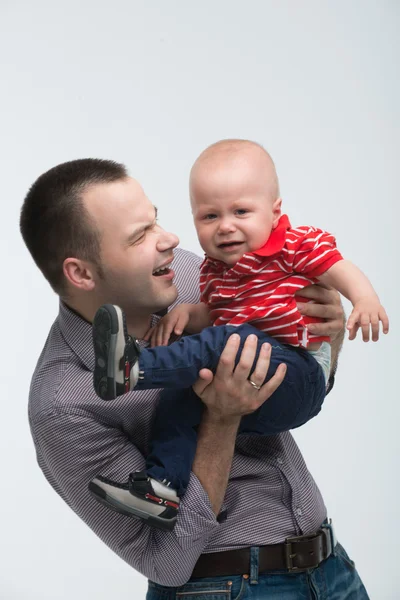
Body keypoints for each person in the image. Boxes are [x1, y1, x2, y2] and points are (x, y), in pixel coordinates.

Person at [20, 157, 369, 598]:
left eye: (156, 220)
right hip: (221, 588)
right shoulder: (62, 405)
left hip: (333, 571)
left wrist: (327, 338)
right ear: (81, 273)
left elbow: (296, 389)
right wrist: (220, 421)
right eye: (139, 236)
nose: (170, 239)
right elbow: (166, 563)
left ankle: (139, 372)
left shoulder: (193, 275)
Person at [89, 140, 388, 530]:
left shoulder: (294, 246)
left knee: (226, 341)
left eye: (241, 212)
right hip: (255, 381)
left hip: (298, 373)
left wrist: (363, 298)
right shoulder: (214, 271)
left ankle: (133, 368)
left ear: (275, 211)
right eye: (209, 216)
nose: (225, 226)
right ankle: (162, 488)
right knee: (181, 396)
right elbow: (218, 313)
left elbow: (339, 269)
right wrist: (187, 313)